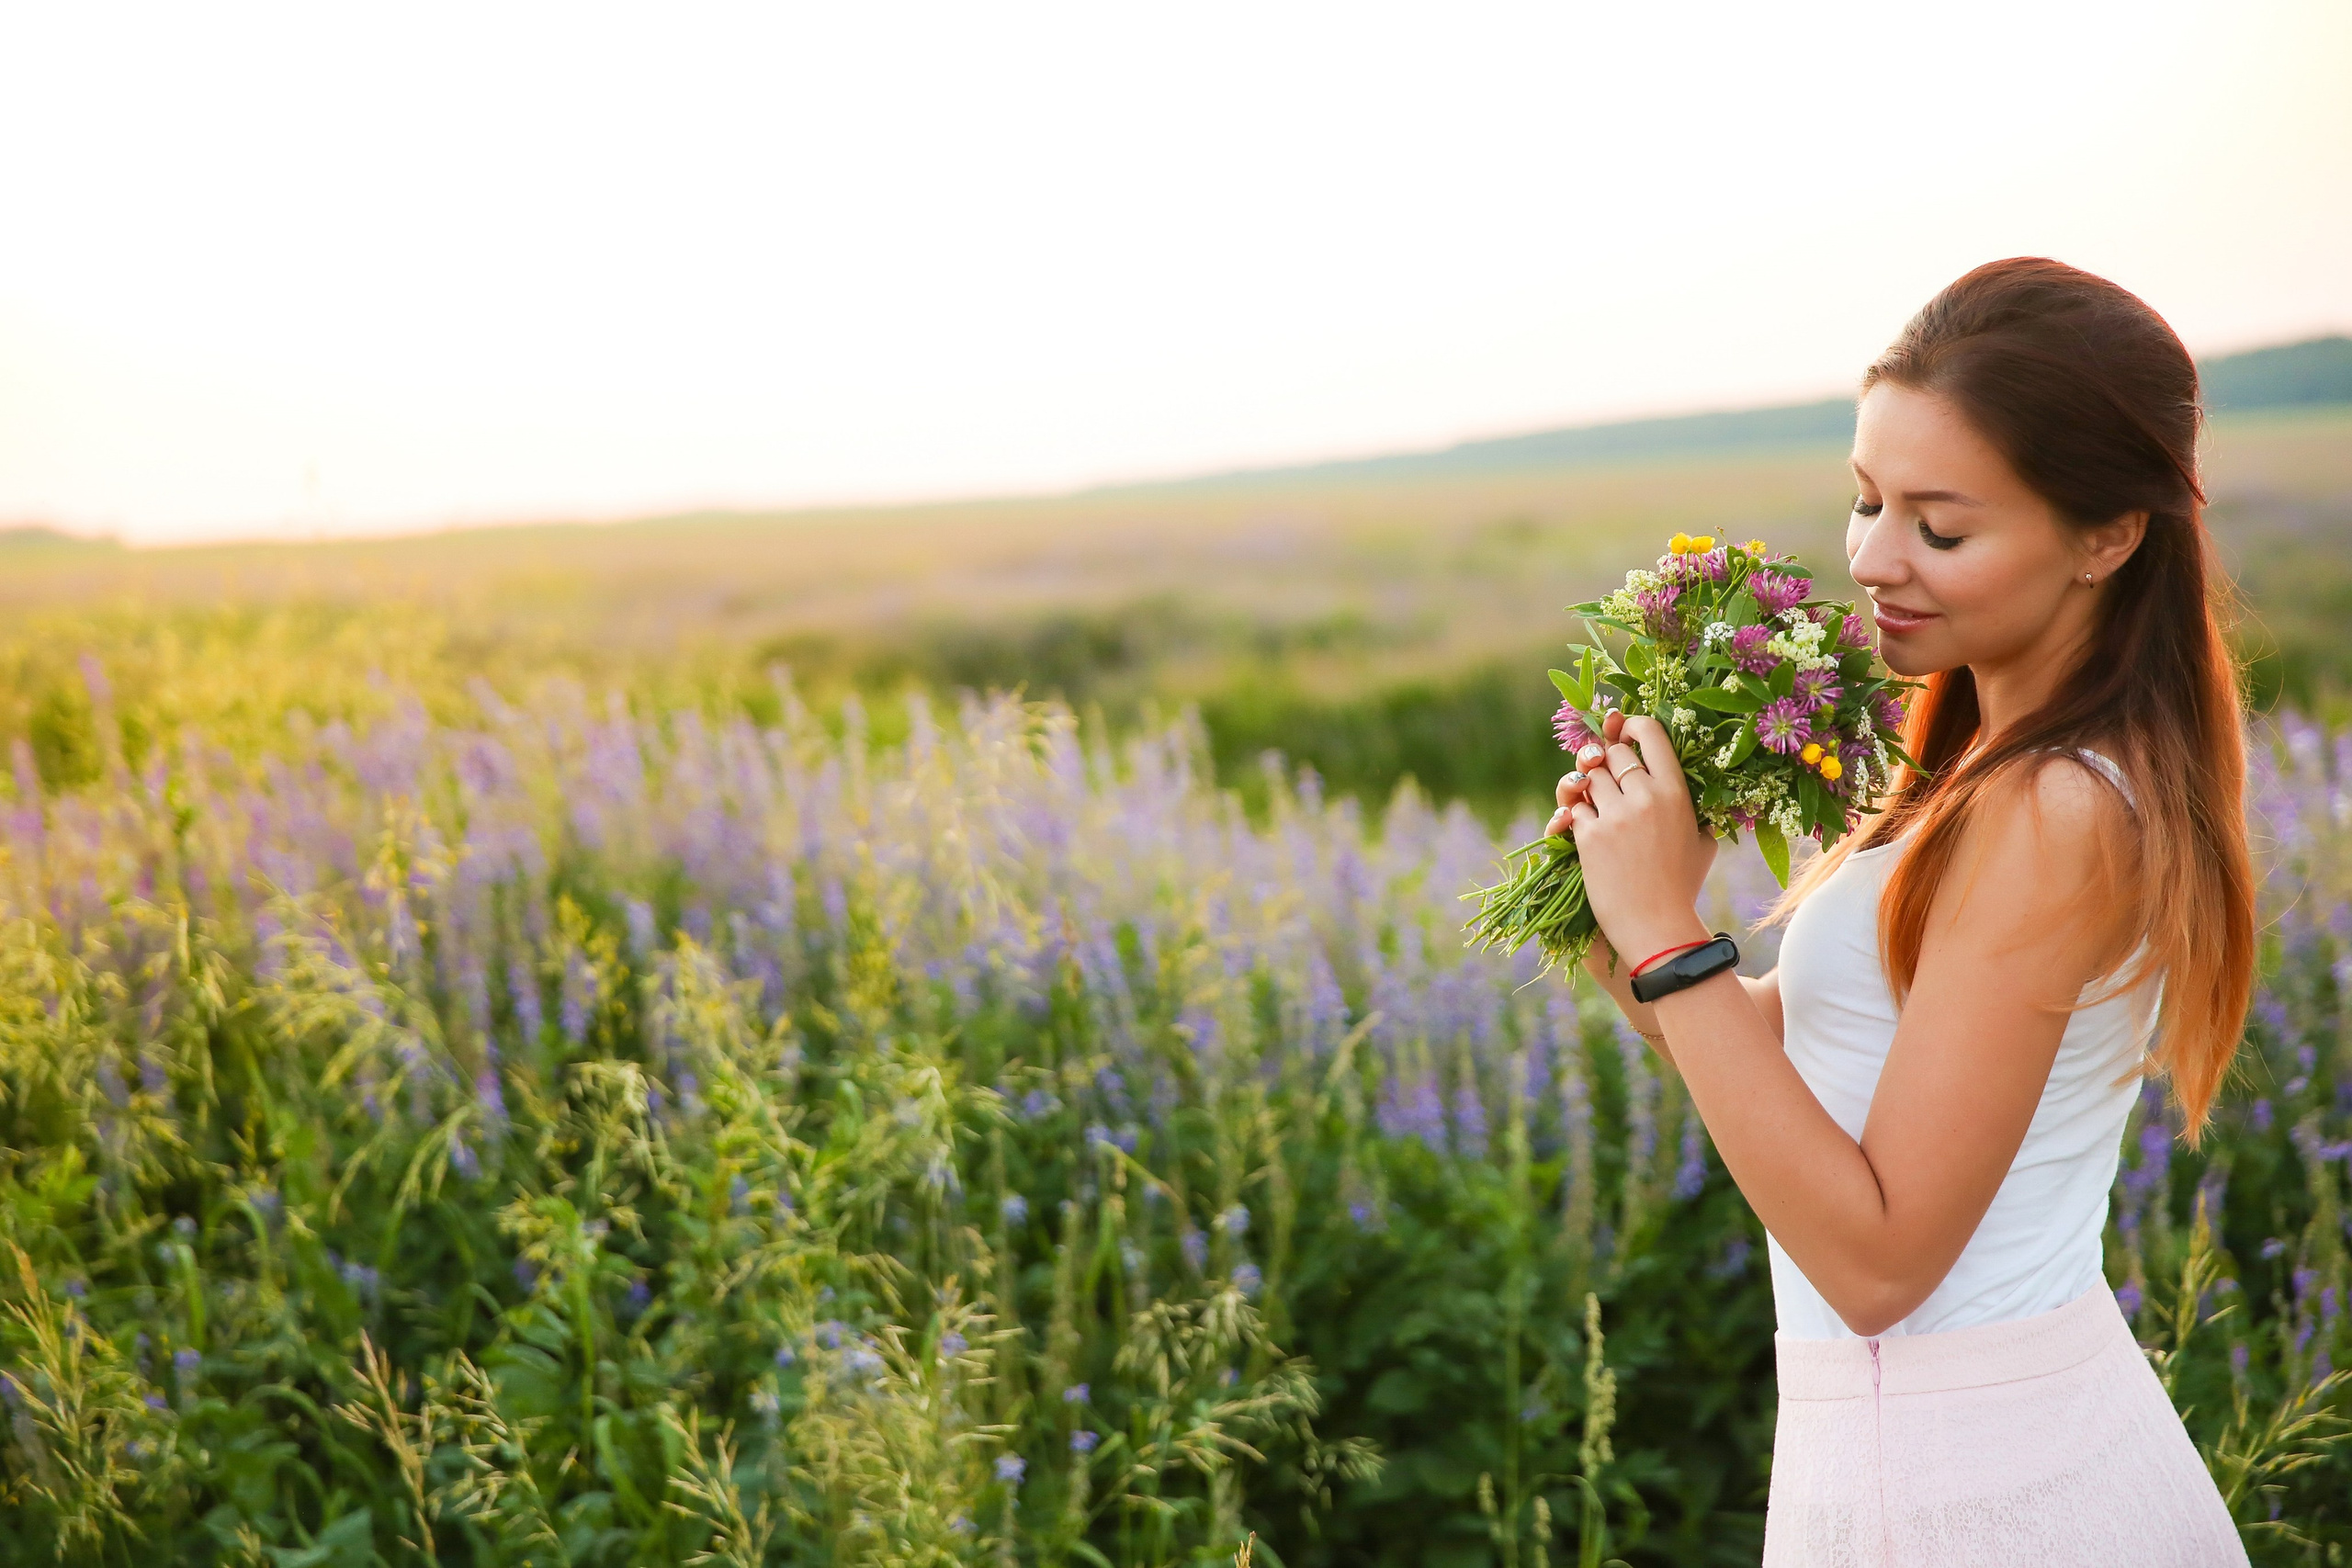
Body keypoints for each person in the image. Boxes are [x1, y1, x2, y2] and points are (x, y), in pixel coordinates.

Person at [1548, 257, 2255, 1565]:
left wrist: (1673, 946)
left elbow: (1880, 1266)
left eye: (1941, 527)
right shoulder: (1991, 770)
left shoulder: (2057, 811)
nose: (1872, 558)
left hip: (1988, 1501)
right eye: (1868, 500)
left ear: (2108, 535)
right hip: (1923, 1468)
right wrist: (1626, 924)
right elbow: (1835, 1073)